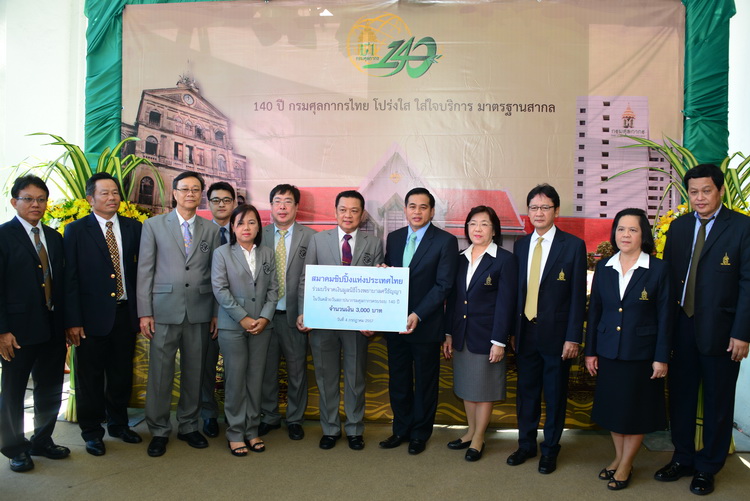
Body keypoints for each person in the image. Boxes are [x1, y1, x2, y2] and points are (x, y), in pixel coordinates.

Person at [654, 164, 750, 496]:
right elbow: (668, 282)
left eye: (706, 190)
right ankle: (683, 458)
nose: (699, 198)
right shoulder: (678, 227)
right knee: (680, 397)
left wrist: (743, 332)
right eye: (693, 192)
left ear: (720, 190)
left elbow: (748, 283)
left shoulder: (742, 227)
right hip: (681, 326)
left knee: (717, 402)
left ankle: (708, 466)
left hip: (723, 332)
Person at [585, 208, 672, 490]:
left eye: (633, 230)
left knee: (635, 412)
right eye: (621, 229)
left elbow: (666, 317)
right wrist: (590, 351)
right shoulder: (604, 267)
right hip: (609, 350)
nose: (626, 235)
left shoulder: (658, 269)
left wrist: (661, 357)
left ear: (643, 234)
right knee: (614, 410)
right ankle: (619, 457)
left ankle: (625, 464)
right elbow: (595, 312)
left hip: (642, 353)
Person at [136, 170, 221, 457]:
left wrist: (215, 312)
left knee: (194, 373)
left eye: (196, 189)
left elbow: (216, 274)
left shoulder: (211, 230)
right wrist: (145, 311)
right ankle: (159, 429)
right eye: (184, 189)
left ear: (201, 195)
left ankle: (188, 425)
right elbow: (145, 270)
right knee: (160, 373)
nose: (190, 194)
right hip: (163, 310)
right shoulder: (154, 225)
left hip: (200, 310)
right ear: (174, 193)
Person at [508, 183, 587, 474]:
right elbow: (516, 292)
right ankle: (526, 445)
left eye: (545, 207)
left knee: (554, 395)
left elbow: (577, 296)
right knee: (526, 394)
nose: (538, 213)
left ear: (556, 210)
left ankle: (550, 449)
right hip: (525, 332)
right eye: (533, 208)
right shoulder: (521, 245)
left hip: (557, 336)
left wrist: (573, 337)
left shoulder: (573, 245)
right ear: (528, 212)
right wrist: (513, 331)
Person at [64, 172, 143, 456]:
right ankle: (92, 432)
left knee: (121, 375)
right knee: (90, 378)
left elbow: (141, 272)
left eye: (115, 193)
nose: (112, 198)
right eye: (105, 193)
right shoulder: (75, 230)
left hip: (124, 315)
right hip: (90, 319)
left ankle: (119, 424)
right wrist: (73, 321)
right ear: (90, 198)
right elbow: (70, 278)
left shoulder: (134, 227)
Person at [297, 190, 383, 450]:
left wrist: (374, 320)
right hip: (323, 323)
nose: (348, 215)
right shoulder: (318, 240)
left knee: (355, 379)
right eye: (343, 210)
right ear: (335, 212)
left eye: (354, 210)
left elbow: (378, 286)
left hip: (357, 325)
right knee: (326, 378)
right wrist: (304, 312)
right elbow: (306, 279)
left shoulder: (374, 243)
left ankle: (355, 429)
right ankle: (330, 429)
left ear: (362, 215)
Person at [379, 187, 458, 455]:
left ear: (432, 211)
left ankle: (420, 434)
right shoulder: (394, 238)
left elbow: (444, 285)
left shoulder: (445, 241)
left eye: (423, 207)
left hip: (425, 324)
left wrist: (418, 314)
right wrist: (383, 273)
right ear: (405, 209)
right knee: (399, 380)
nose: (417, 211)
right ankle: (401, 430)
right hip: (394, 324)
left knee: (425, 382)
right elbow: (391, 276)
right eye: (412, 206)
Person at [0, 175, 69, 472]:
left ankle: (42, 440)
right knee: (13, 392)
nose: (35, 204)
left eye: (41, 199)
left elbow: (63, 284)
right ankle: (14, 448)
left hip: (53, 326)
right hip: (17, 331)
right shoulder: (3, 236)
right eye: (28, 199)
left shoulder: (54, 237)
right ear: (14, 201)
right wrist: (2, 330)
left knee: (50, 387)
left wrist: (68, 323)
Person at [442, 206, 517, 462]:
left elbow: (506, 304)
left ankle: (479, 438)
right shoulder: (460, 258)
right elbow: (453, 299)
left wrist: (499, 340)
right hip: (461, 334)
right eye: (473, 223)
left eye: (484, 224)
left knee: (484, 390)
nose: (478, 229)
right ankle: (470, 432)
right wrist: (449, 333)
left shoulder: (504, 260)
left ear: (494, 230)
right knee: (467, 387)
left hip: (488, 337)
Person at [212, 204, 278, 456]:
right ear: (232, 227)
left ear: (259, 226)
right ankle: (235, 433)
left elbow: (273, 290)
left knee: (255, 379)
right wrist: (243, 318)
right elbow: (220, 290)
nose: (246, 228)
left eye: (252, 222)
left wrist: (264, 317)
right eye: (240, 223)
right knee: (236, 380)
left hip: (262, 326)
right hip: (232, 326)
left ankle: (252, 430)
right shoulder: (222, 253)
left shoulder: (267, 254)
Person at [259, 184, 316, 440]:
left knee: (297, 372)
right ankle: (269, 416)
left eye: (288, 201)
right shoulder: (258, 234)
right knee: (266, 370)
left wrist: (306, 312)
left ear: (296, 207)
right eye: (278, 201)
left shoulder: (311, 237)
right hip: (265, 317)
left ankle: (294, 418)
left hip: (295, 317)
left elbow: (315, 278)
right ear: (271, 206)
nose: (282, 206)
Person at [200, 181, 237, 439]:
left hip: (240, 313)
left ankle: (238, 417)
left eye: (226, 200)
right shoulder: (200, 232)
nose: (221, 204)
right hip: (206, 311)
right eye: (215, 200)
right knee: (206, 366)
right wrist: (213, 310)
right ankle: (208, 414)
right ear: (208, 203)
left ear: (234, 203)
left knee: (237, 368)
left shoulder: (244, 230)